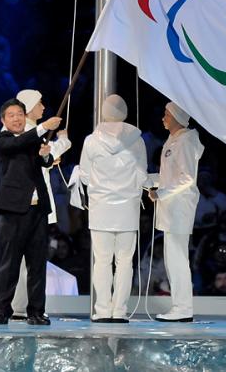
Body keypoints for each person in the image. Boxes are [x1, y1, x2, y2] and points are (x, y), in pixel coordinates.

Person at [0, 98, 61, 325]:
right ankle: (1, 311)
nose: (17, 118)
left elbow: (44, 162)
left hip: (37, 210)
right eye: (11, 115)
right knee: (9, 263)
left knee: (37, 264)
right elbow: (17, 145)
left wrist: (46, 155)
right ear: (3, 120)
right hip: (13, 211)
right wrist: (43, 127)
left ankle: (37, 312)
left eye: (20, 114)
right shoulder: (3, 140)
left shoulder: (32, 139)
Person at [79, 94, 147, 323]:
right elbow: (142, 174)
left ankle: (102, 311)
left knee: (102, 260)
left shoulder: (91, 140)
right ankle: (120, 311)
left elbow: (86, 175)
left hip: (101, 207)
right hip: (127, 207)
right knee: (125, 261)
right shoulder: (137, 140)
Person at [10, 89, 72, 319]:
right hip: (27, 204)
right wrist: (62, 142)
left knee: (31, 260)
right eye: (40, 103)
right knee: (26, 259)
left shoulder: (30, 133)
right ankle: (19, 308)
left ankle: (24, 308)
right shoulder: (22, 132)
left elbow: (42, 160)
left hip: (35, 203)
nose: (44, 107)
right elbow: (37, 159)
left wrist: (52, 151)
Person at [148, 102, 204, 322]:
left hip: (179, 208)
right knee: (172, 259)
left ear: (177, 117)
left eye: (166, 114)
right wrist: (144, 180)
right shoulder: (174, 141)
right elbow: (169, 177)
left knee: (178, 258)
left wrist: (160, 193)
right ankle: (179, 306)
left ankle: (183, 308)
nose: (163, 118)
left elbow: (187, 178)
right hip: (171, 209)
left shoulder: (187, 142)